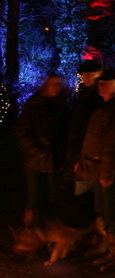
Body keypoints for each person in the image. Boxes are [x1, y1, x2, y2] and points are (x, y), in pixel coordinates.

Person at [76, 68, 115, 272]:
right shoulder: (109, 107)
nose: (101, 84)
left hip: (111, 173)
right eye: (100, 81)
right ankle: (112, 251)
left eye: (107, 82)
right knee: (106, 212)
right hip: (103, 171)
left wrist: (107, 172)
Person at [14, 74, 70, 226]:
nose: (56, 88)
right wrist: (35, 150)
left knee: (53, 197)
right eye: (52, 84)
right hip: (35, 159)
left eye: (58, 84)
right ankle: (29, 232)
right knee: (34, 198)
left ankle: (50, 229)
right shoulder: (33, 105)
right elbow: (23, 132)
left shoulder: (61, 105)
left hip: (53, 159)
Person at [66, 59, 104, 218]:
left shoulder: (97, 97)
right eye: (84, 75)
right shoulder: (84, 95)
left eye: (90, 75)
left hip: (89, 153)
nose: (86, 78)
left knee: (88, 195)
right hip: (82, 151)